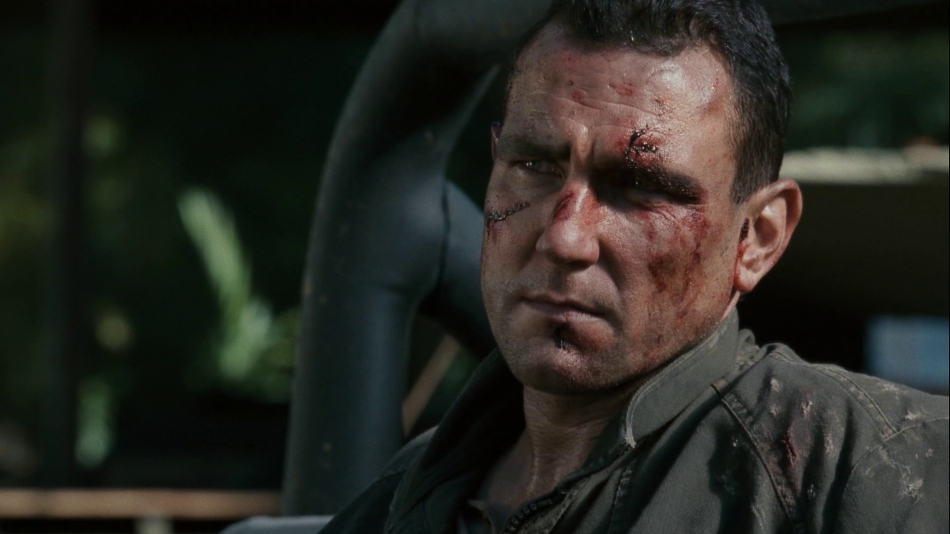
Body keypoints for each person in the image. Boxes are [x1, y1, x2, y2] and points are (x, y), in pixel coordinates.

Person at [321, 0, 949, 532]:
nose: (566, 237)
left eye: (642, 187)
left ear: (758, 237)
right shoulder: (395, 504)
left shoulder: (873, 472)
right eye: (534, 165)